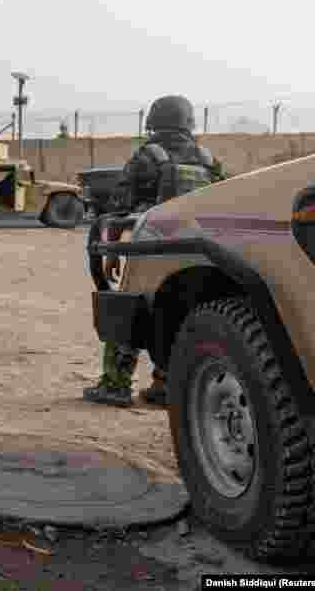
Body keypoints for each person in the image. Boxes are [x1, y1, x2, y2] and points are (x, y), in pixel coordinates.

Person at [84, 95, 226, 407]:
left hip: (150, 245)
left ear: (154, 122)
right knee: (179, 311)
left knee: (128, 310)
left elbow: (120, 206)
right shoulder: (206, 157)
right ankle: (166, 385)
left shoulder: (147, 156)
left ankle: (115, 385)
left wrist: (110, 242)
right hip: (194, 249)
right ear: (188, 122)